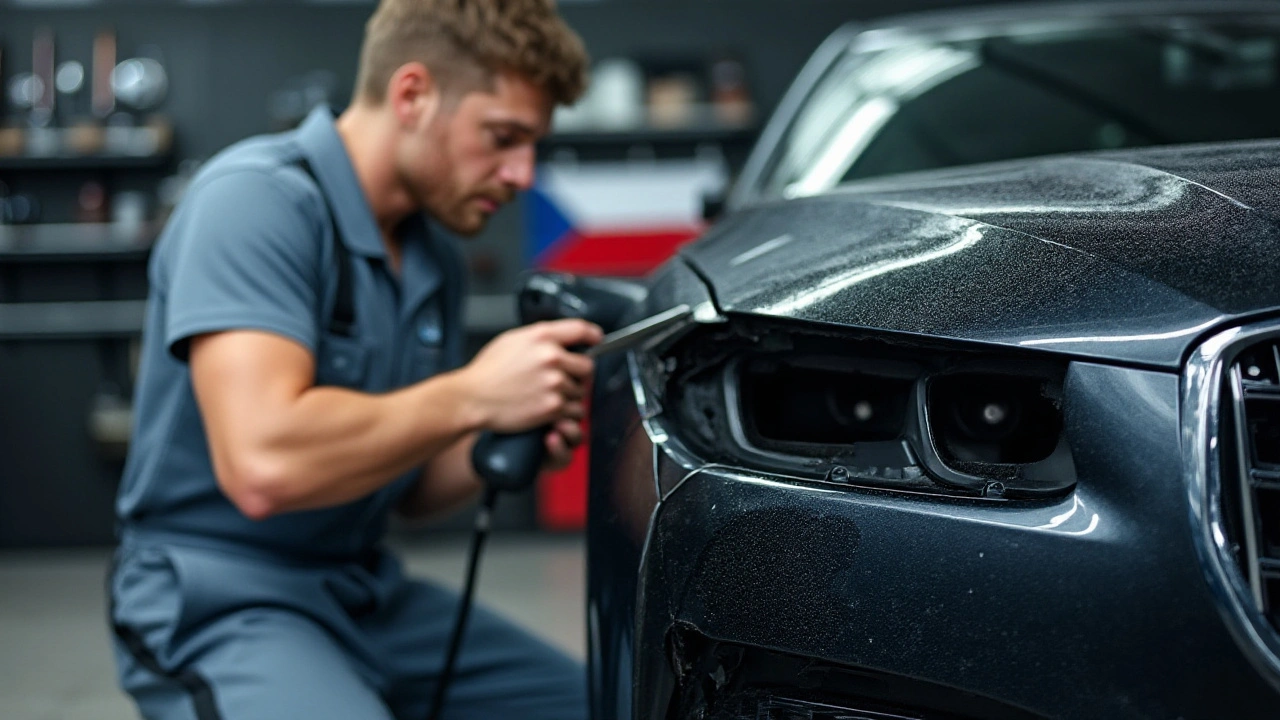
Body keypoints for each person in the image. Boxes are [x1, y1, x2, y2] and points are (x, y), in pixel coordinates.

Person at [107, 1, 599, 718]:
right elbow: (264, 465)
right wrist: (473, 395)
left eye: (533, 146)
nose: (522, 173)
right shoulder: (256, 202)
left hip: (361, 589)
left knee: (604, 701)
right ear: (412, 94)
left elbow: (411, 489)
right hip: (220, 594)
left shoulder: (434, 257)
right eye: (502, 138)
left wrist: (503, 429)